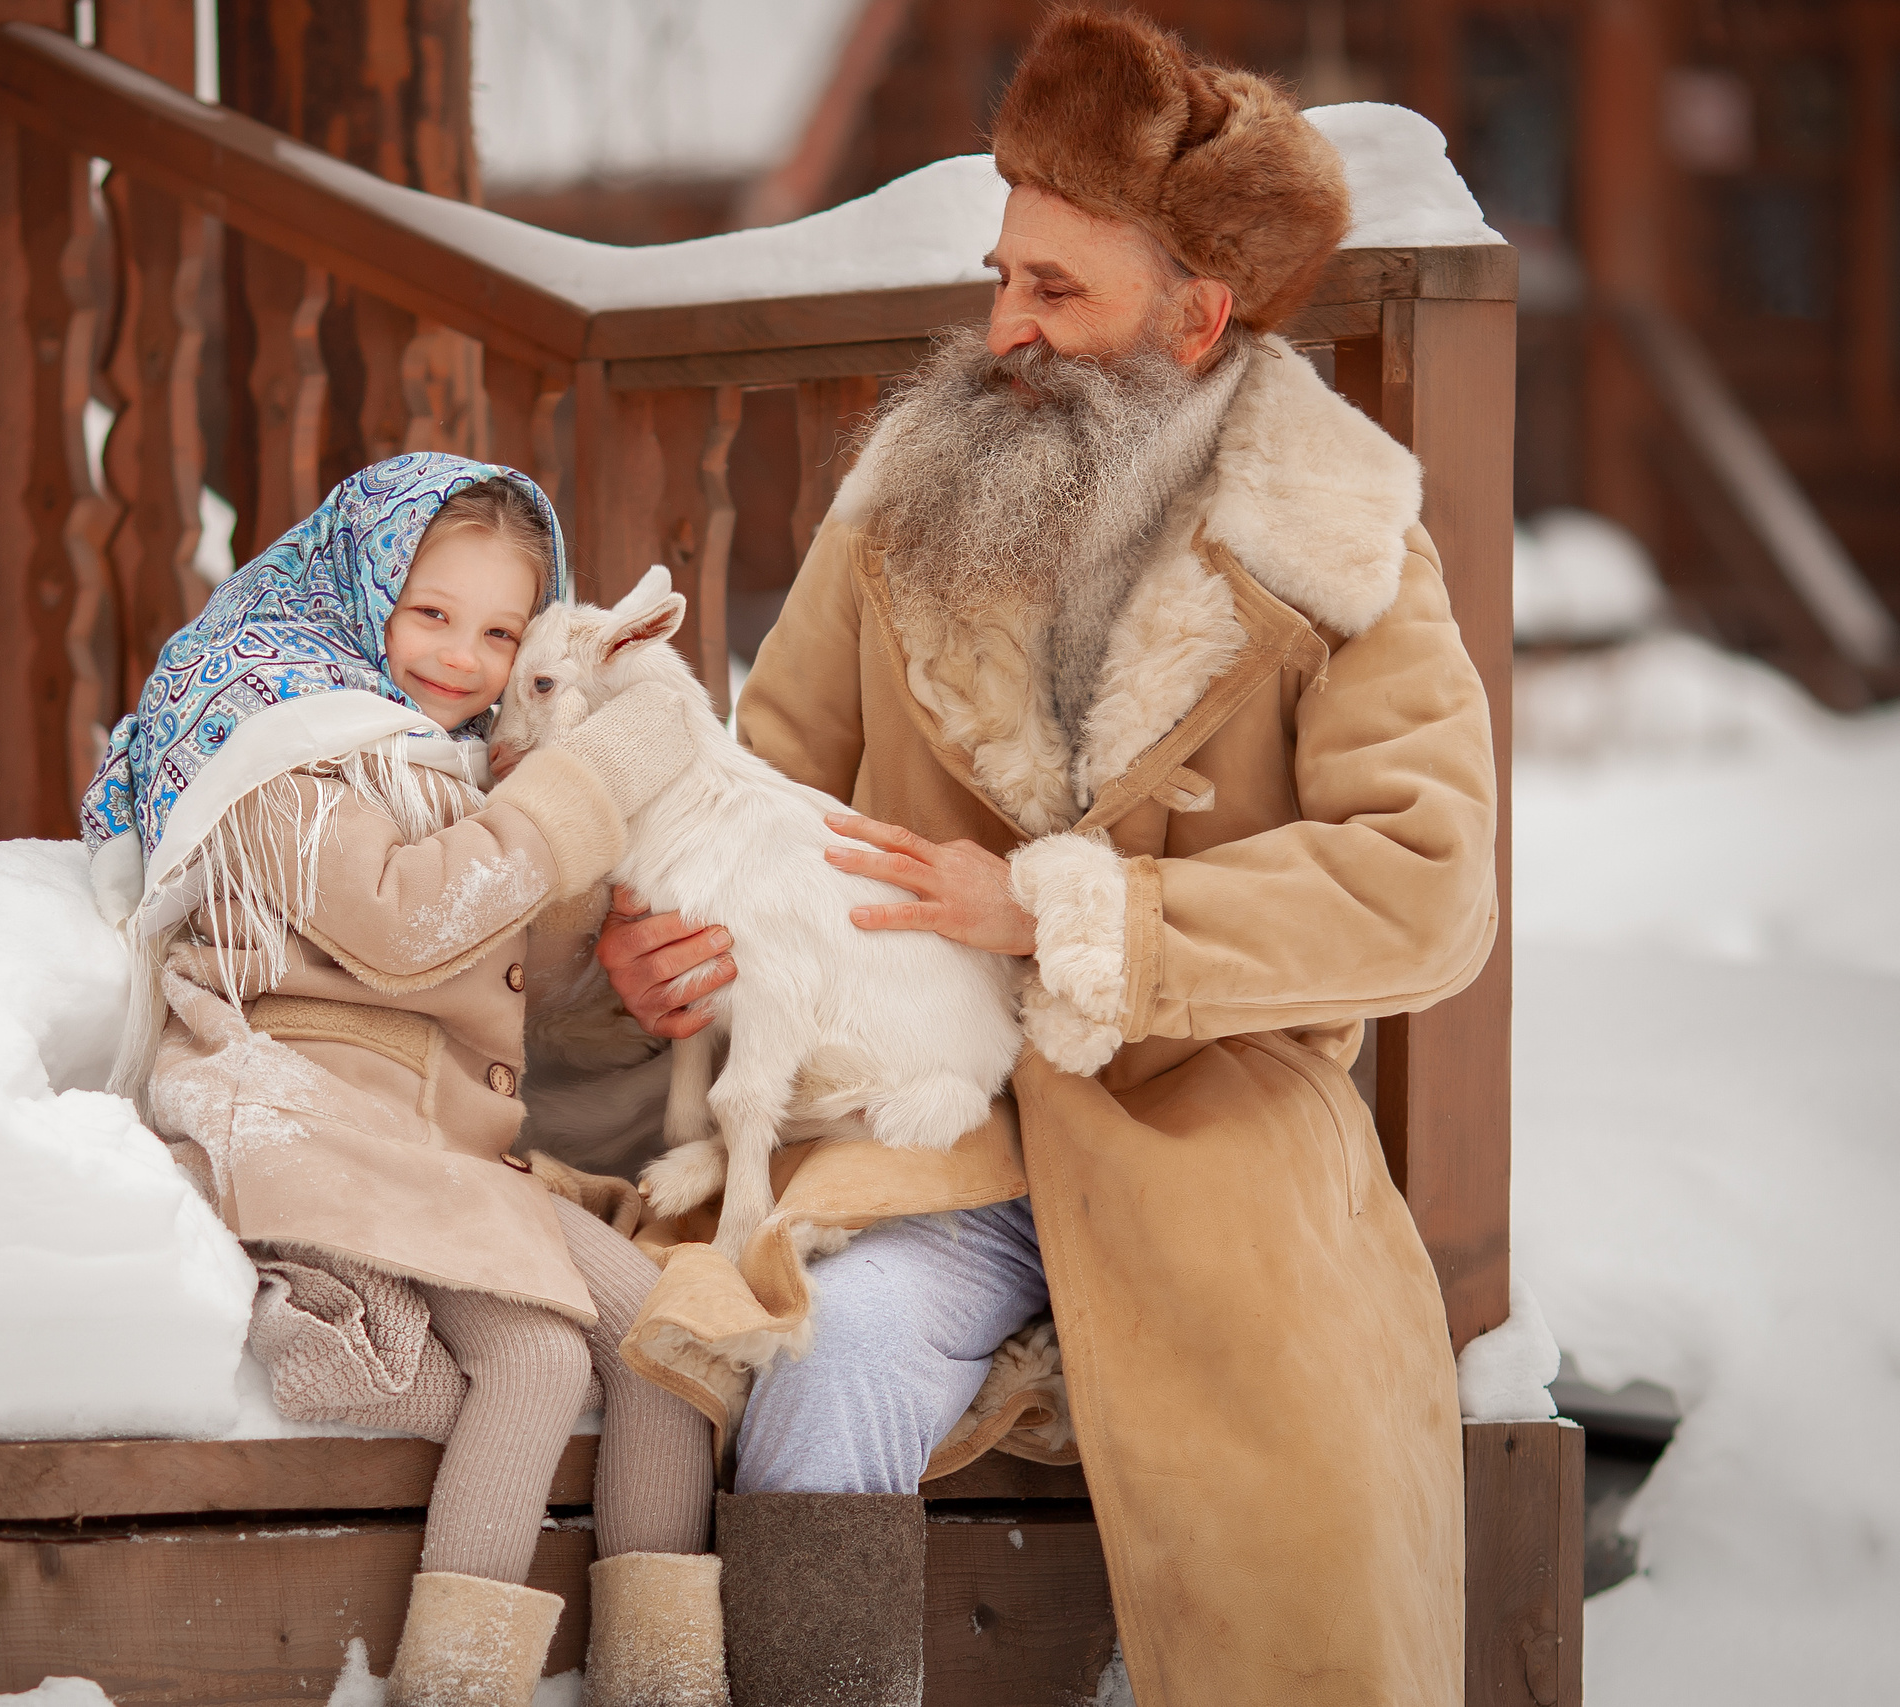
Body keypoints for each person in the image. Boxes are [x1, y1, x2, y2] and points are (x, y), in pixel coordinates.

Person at [598, 12, 1497, 1706]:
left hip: (1213, 1150)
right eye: (1001, 274)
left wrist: (1069, 913)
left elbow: (1426, 884)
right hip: (924, 1120)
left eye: (1057, 293)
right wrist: (665, 941)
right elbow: (764, 782)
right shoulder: (902, 498)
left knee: (1298, 1525)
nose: (1003, 327)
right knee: (825, 1353)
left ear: (1199, 315)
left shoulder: (1338, 544)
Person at [81, 454, 726, 1707]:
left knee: (663, 1342)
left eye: (499, 631)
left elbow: (495, 969)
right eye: (430, 613)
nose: (463, 659)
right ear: (358, 583)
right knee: (539, 1362)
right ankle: (458, 1691)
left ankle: (662, 1686)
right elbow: (402, 926)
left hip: (433, 1147)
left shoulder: (431, 763)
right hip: (325, 1128)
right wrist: (590, 781)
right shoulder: (271, 736)